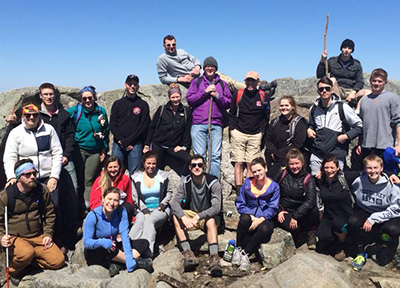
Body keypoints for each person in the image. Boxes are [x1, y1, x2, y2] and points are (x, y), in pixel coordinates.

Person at [0, 159, 64, 285]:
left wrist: (48, 234)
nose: (32, 177)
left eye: (34, 173)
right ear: (18, 177)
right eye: (27, 175)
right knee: (26, 253)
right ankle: (14, 270)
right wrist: (1, 237)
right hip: (15, 237)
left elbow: (49, 214)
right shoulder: (6, 196)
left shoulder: (42, 190)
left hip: (38, 236)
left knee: (58, 260)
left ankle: (28, 262)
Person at [170, 154, 223, 277]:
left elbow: (216, 208)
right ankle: (188, 253)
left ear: (204, 166)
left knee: (210, 221)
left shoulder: (213, 182)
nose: (197, 167)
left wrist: (198, 216)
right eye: (194, 165)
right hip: (192, 213)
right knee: (175, 216)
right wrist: (184, 217)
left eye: (200, 165)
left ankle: (214, 257)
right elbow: (174, 203)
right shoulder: (185, 181)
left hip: (207, 215)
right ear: (190, 167)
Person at [83, 187, 153, 276]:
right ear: (103, 199)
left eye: (115, 200)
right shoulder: (93, 216)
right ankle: (138, 262)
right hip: (97, 249)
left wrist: (128, 257)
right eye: (109, 199)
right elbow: (86, 242)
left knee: (143, 243)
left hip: (114, 246)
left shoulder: (121, 211)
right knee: (103, 250)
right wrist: (103, 242)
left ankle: (120, 262)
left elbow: (124, 235)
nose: (111, 203)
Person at [348, 154, 400, 271]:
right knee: (353, 221)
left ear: (381, 168)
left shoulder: (391, 184)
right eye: (369, 168)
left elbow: (396, 208)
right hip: (365, 210)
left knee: (393, 229)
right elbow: (339, 175)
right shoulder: (359, 180)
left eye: (376, 168)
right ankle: (360, 253)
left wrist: (373, 219)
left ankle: (385, 239)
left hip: (385, 212)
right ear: (365, 169)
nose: (373, 171)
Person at [186, 56, 232, 179]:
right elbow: (190, 99)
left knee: (215, 156)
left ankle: (213, 184)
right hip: (198, 123)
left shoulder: (222, 84)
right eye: (207, 66)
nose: (210, 68)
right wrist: (205, 92)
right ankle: (199, 183)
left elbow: (228, 102)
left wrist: (217, 95)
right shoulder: (197, 82)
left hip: (215, 124)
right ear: (204, 68)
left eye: (212, 66)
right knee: (199, 155)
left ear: (216, 68)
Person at [307, 76, 362, 175]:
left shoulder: (342, 107)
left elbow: (359, 126)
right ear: (318, 91)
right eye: (321, 89)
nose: (324, 91)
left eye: (327, 88)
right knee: (316, 183)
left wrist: (346, 136)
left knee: (336, 183)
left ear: (332, 89)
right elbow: (311, 124)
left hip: (336, 154)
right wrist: (309, 129)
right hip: (317, 154)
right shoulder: (314, 108)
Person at [234, 157, 279, 271]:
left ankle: (246, 253)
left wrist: (260, 219)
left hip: (265, 218)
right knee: (244, 219)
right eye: (254, 171)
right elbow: (240, 203)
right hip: (250, 215)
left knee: (265, 229)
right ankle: (237, 248)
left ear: (265, 168)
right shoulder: (247, 183)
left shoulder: (274, 187)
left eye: (259, 170)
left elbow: (273, 207)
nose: (257, 173)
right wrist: (252, 217)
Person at [68, 86, 109, 209]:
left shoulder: (101, 111)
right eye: (84, 98)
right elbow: (60, 117)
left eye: (90, 98)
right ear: (81, 99)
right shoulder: (76, 111)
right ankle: (77, 206)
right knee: (78, 179)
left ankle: (87, 207)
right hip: (79, 150)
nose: (87, 101)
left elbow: (106, 130)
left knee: (89, 180)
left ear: (94, 97)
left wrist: (104, 149)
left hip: (95, 151)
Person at [156, 35, 246, 91]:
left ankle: (255, 89)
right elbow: (163, 78)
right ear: (164, 46)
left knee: (229, 82)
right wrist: (180, 79)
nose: (171, 47)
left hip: (203, 72)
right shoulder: (162, 59)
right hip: (195, 81)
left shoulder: (181, 51)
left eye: (173, 44)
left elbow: (195, 59)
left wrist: (198, 67)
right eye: (168, 45)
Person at [229, 71, 270, 193]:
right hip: (239, 133)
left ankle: (248, 190)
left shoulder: (263, 96)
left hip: (255, 134)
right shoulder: (239, 94)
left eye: (253, 80)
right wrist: (232, 130)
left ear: (258, 82)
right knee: (238, 162)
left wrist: (261, 132)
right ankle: (238, 190)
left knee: (251, 164)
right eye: (248, 80)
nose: (250, 83)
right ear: (245, 81)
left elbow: (266, 116)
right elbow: (231, 113)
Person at [352, 68, 400, 171]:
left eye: (380, 81)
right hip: (367, 145)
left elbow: (398, 123)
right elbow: (361, 124)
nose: (376, 83)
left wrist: (399, 145)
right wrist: (359, 144)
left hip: (385, 146)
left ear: (385, 82)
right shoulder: (364, 100)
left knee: (388, 177)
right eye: (374, 80)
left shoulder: (392, 98)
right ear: (370, 81)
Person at [315, 155, 359, 261]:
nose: (329, 170)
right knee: (323, 235)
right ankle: (334, 240)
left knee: (338, 225)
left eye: (332, 167)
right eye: (326, 167)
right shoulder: (320, 181)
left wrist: (389, 175)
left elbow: (365, 172)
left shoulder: (345, 178)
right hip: (329, 215)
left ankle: (342, 244)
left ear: (338, 168)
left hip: (345, 215)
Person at [273, 148, 319, 249]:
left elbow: (310, 200)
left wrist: (296, 216)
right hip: (285, 210)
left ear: (302, 163)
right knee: (293, 228)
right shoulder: (282, 174)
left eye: (297, 163)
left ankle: (311, 232)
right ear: (287, 164)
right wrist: (279, 210)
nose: (295, 167)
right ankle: (299, 233)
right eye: (292, 164)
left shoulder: (308, 178)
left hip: (300, 211)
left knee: (314, 210)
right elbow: (272, 192)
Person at [143, 84, 192, 177]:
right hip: (159, 144)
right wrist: (146, 145)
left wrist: (184, 147)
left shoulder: (186, 111)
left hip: (173, 147)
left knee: (188, 160)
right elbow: (152, 127)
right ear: (169, 97)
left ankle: (185, 183)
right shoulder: (162, 110)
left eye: (177, 97)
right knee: (155, 167)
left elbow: (187, 131)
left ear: (181, 96)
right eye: (173, 97)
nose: (175, 99)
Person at [129, 151, 172, 255]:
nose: (151, 166)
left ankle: (147, 252)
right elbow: (135, 197)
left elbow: (169, 193)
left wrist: (162, 205)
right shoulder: (136, 177)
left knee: (149, 222)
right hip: (143, 208)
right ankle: (128, 249)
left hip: (160, 209)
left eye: (153, 163)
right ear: (144, 163)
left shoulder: (163, 176)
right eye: (149, 163)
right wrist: (145, 211)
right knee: (139, 222)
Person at [110, 74, 151, 175]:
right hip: (118, 144)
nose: (132, 86)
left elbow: (143, 126)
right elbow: (112, 125)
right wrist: (121, 141)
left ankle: (133, 191)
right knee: (115, 172)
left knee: (135, 174)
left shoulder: (143, 104)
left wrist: (128, 141)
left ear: (137, 86)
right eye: (130, 84)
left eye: (135, 84)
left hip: (135, 144)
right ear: (126, 85)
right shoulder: (118, 104)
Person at [264, 95, 308, 177]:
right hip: (274, 157)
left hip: (291, 159)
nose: (284, 108)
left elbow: (298, 144)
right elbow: (268, 139)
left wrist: (277, 154)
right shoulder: (275, 122)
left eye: (286, 105)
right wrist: (273, 152)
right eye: (281, 106)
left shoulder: (299, 122)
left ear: (292, 107)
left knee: (271, 177)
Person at [316, 38, 367, 104]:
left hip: (351, 90)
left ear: (352, 50)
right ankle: (338, 103)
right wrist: (322, 60)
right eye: (344, 47)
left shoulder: (356, 64)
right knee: (332, 80)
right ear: (341, 49)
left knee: (367, 92)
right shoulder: (332, 61)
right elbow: (320, 75)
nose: (346, 50)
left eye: (349, 48)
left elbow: (360, 81)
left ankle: (357, 111)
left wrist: (354, 92)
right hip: (337, 89)